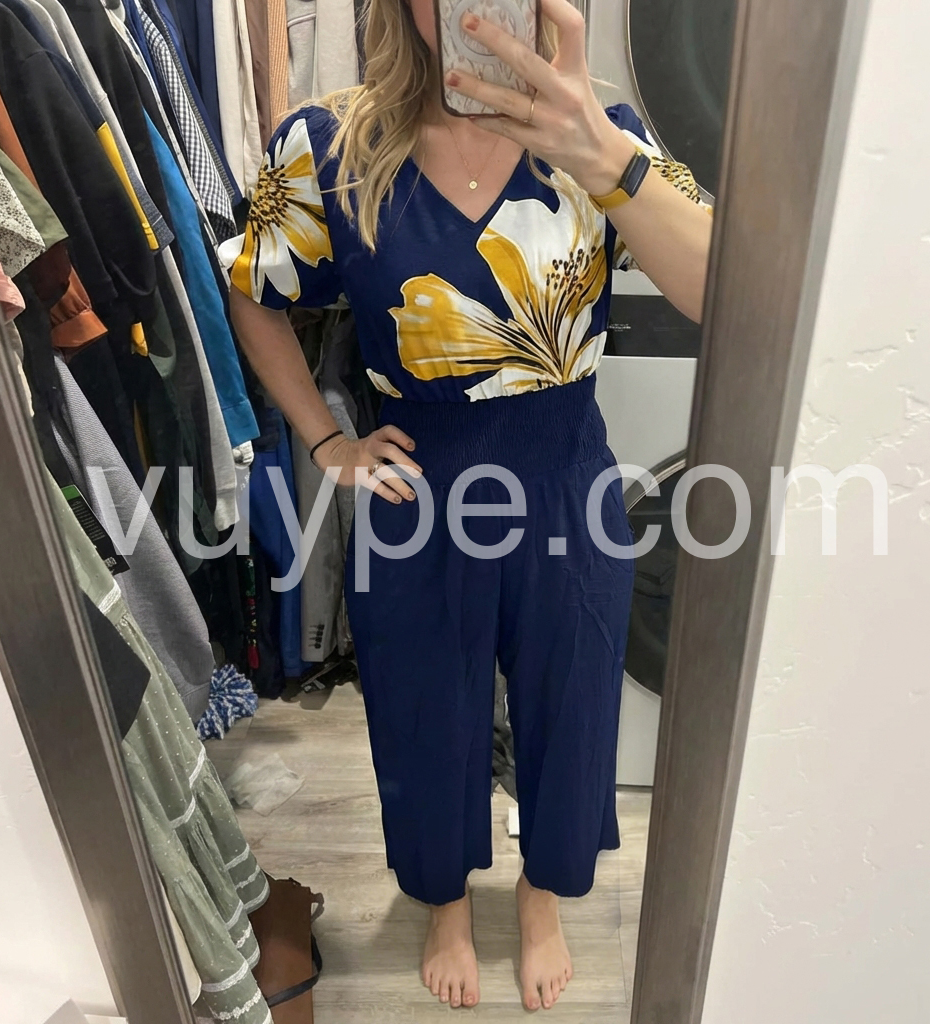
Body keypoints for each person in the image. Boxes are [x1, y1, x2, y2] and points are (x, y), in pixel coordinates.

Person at [225, 0, 712, 1011]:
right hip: (417, 487)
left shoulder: (607, 132)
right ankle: (443, 898)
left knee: (572, 705)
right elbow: (251, 291)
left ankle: (542, 893)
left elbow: (720, 289)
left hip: (566, 477)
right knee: (421, 712)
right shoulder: (328, 146)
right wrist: (327, 440)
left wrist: (599, 155)